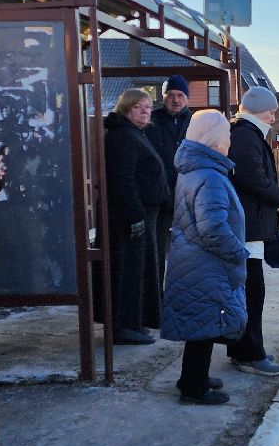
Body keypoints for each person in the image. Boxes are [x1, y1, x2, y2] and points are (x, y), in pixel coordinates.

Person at [161, 110, 248, 405]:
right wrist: (238, 252)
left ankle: (192, 376)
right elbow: (213, 228)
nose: (229, 141)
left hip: (193, 260)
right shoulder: (210, 177)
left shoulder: (194, 170)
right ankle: (193, 388)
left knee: (202, 322)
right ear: (212, 138)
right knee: (205, 323)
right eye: (225, 135)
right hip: (206, 263)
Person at [225, 85, 279, 377]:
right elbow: (251, 177)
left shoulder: (246, 133)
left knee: (249, 292)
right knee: (252, 293)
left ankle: (243, 350)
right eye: (271, 112)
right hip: (247, 230)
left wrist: (277, 201)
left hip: (250, 226)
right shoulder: (245, 135)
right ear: (257, 109)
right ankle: (250, 354)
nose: (274, 118)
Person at [103, 89, 170, 345]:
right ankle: (123, 326)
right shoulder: (122, 137)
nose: (145, 111)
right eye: (138, 107)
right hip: (130, 218)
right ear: (126, 109)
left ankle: (135, 322)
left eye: (147, 107)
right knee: (127, 272)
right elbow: (122, 180)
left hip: (144, 214)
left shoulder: (134, 134)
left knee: (139, 271)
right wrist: (134, 216)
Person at [144, 75, 192, 297]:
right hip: (159, 197)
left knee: (189, 251)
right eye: (170, 95)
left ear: (187, 98)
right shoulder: (150, 122)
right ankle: (157, 299)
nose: (175, 100)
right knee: (155, 249)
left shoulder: (196, 122)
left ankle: (184, 295)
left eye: (180, 95)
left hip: (188, 197)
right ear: (162, 97)